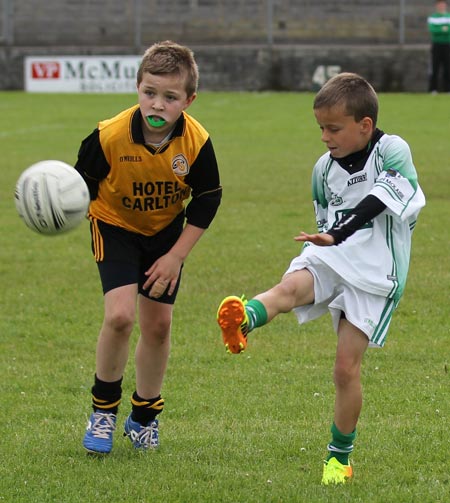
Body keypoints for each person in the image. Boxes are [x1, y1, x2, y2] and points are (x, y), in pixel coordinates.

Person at [217, 73, 425, 484]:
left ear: (364, 125)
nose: (325, 137)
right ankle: (244, 318)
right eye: (321, 129)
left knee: (345, 370)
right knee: (289, 288)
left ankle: (338, 458)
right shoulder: (322, 170)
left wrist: (336, 234)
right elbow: (326, 219)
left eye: (334, 128)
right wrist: (328, 240)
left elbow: (377, 201)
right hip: (332, 250)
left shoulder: (390, 150)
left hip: (376, 273)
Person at [76, 40, 222, 454]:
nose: (157, 105)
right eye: (149, 93)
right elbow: (78, 187)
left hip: (165, 235)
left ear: (189, 100)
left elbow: (208, 198)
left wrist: (176, 256)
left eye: (170, 97)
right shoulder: (108, 136)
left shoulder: (195, 142)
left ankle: (144, 417)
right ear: (138, 87)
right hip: (115, 226)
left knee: (158, 326)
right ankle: (103, 412)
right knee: (121, 317)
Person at [428, 0, 450, 93]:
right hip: (436, 45)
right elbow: (433, 30)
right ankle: (433, 89)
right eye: (439, 4)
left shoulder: (448, 16)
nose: (441, 6)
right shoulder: (432, 17)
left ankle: (447, 89)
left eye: (443, 4)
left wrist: (440, 29)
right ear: (437, 6)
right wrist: (443, 29)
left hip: (447, 44)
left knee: (448, 67)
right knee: (435, 67)